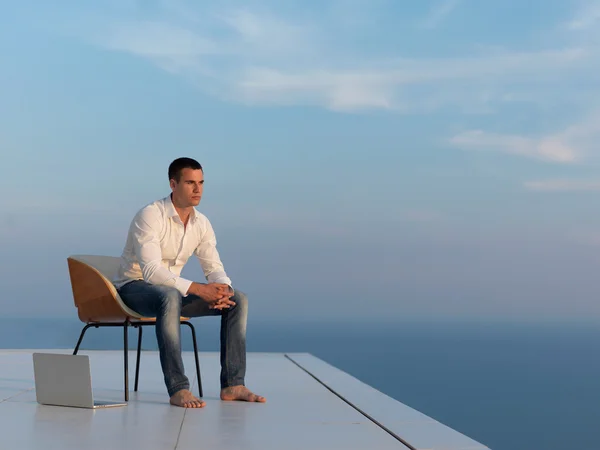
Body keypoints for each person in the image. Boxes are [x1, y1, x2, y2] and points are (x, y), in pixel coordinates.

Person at [112, 157, 266, 408]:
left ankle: (233, 384)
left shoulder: (201, 223)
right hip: (133, 290)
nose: (198, 189)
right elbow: (151, 271)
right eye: (190, 183)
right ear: (173, 184)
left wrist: (222, 289)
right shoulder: (150, 215)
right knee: (169, 296)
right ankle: (178, 388)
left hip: (172, 293)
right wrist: (198, 289)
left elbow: (213, 266)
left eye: (201, 183)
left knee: (238, 300)